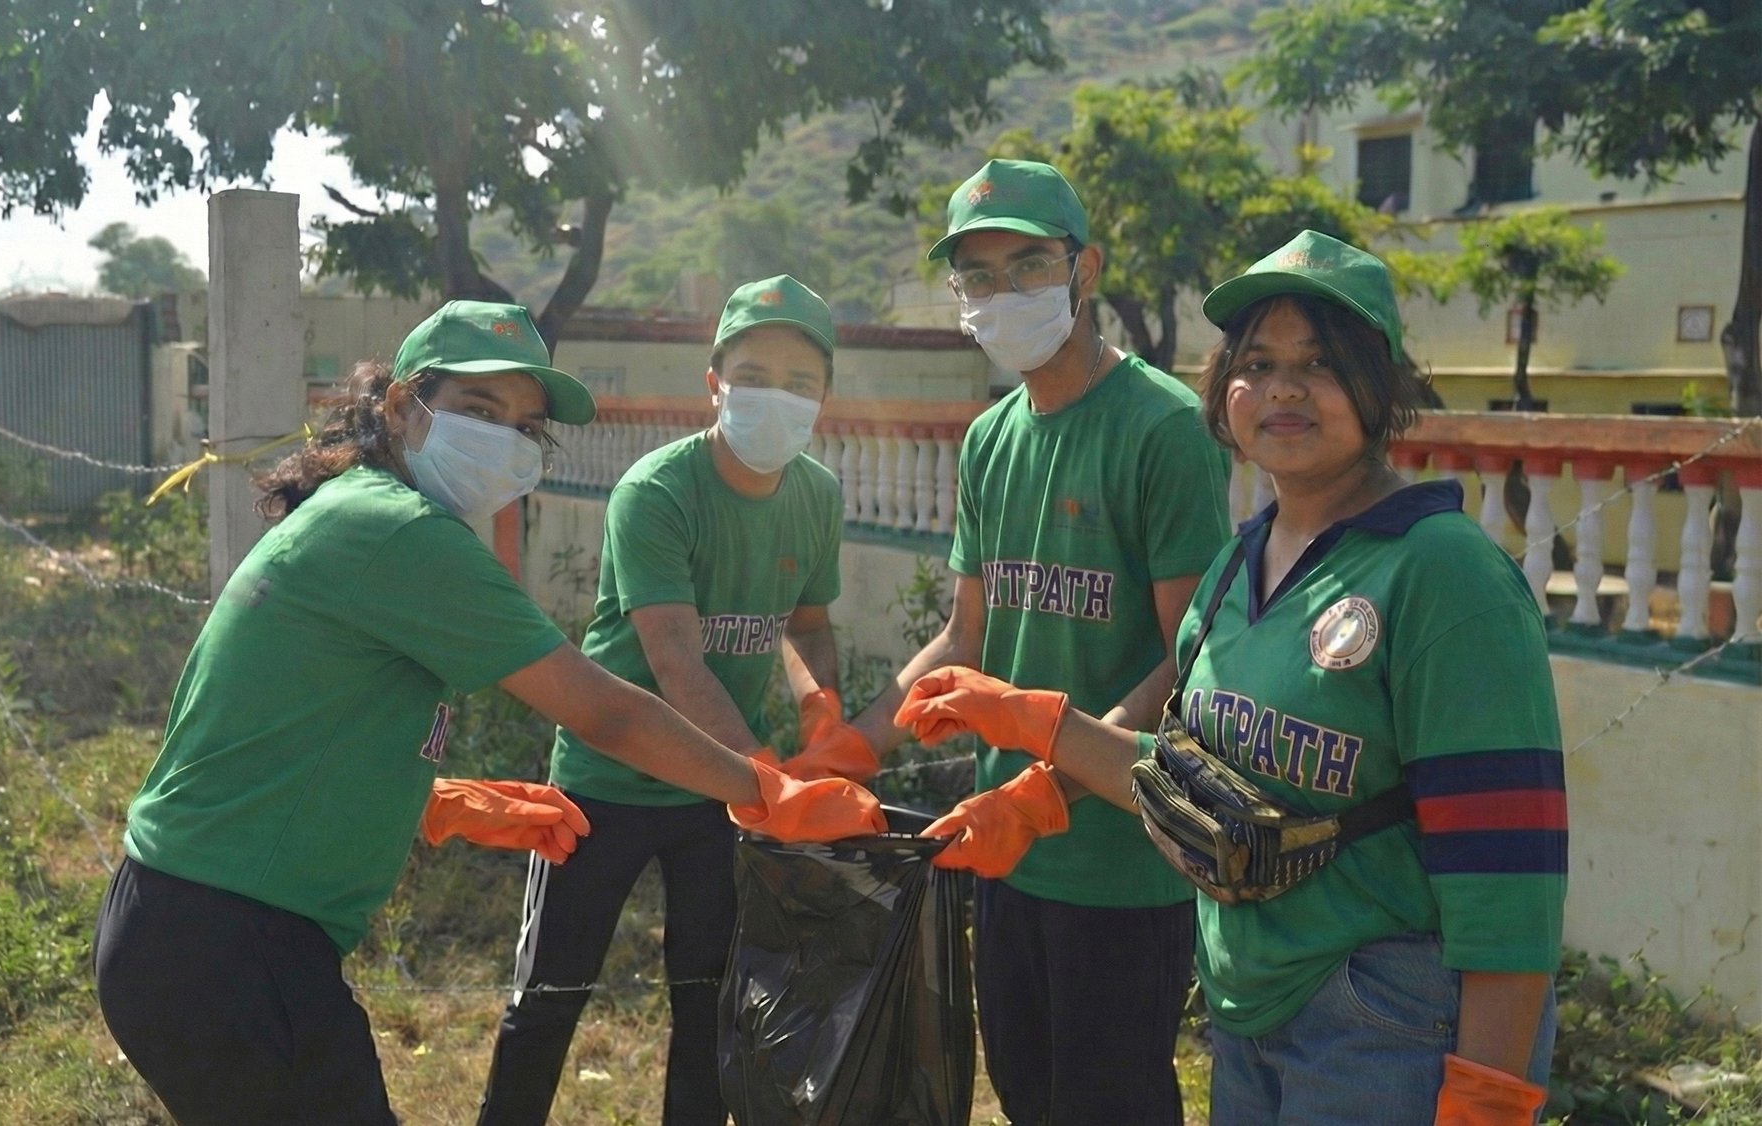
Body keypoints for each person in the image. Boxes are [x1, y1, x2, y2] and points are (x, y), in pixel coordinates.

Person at [92, 300, 887, 1126]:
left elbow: (290, 724)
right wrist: (769, 792)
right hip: (230, 949)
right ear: (400, 406)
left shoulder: (362, 511)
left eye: (523, 424)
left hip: (194, 926)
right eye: (477, 410)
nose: (503, 439)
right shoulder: (403, 534)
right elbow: (604, 712)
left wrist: (436, 802)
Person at [897, 231, 1566, 1125]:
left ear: (1381, 388)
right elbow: (1187, 783)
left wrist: (1487, 1101)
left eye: (1321, 363)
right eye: (1257, 362)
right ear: (1227, 393)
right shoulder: (1236, 570)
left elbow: (1509, 869)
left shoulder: (1441, 574)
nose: (1284, 387)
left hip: (1387, 1018)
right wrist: (1029, 736)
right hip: (1251, 1009)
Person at [818, 158, 1232, 1125]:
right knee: (1026, 1090)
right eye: (979, 276)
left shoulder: (1162, 430)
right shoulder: (992, 439)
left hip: (1117, 858)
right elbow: (967, 632)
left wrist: (1051, 787)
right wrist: (855, 743)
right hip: (1002, 850)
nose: (1004, 294)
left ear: (1085, 269)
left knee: (1111, 1101)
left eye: (1028, 265)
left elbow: (1190, 656)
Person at [475, 275, 860, 1126]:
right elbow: (676, 664)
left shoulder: (817, 497)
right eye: (754, 375)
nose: (778, 398)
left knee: (709, 1004)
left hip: (718, 801)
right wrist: (766, 779)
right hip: (606, 782)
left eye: (801, 383)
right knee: (550, 995)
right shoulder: (658, 492)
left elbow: (807, 627)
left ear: (825, 397)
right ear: (714, 383)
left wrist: (820, 714)